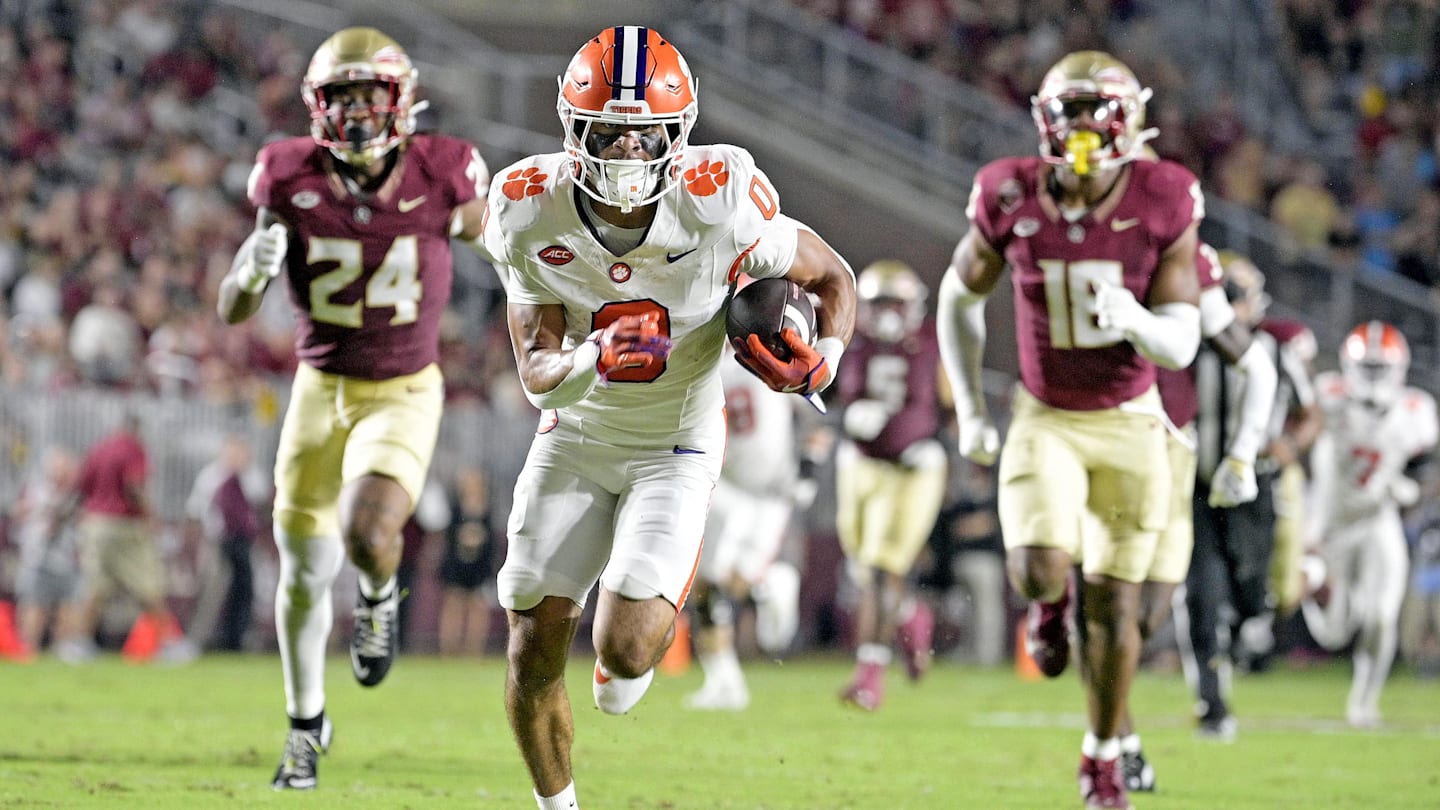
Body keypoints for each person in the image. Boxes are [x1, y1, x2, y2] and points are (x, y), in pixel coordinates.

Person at [480, 26, 857, 810]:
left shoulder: (719, 199)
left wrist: (824, 357)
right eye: (609, 133)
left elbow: (832, 276)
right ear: (573, 130)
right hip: (577, 437)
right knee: (531, 645)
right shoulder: (527, 207)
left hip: (677, 443)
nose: (627, 151)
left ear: (677, 134)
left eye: (645, 134)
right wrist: (593, 356)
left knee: (627, 650)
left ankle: (626, 655)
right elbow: (538, 375)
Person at [216, 27, 491, 791]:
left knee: (368, 531)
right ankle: (306, 725)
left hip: (403, 387)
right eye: (341, 96)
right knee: (303, 570)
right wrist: (249, 273)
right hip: (318, 389)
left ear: (400, 102)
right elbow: (233, 307)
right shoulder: (287, 175)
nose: (357, 112)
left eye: (370, 95)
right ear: (317, 104)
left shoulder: (443, 171)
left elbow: (501, 245)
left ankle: (376, 595)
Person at [937, 51, 1203, 810]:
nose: (1082, 126)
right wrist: (970, 408)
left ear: (1132, 119)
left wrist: (1138, 321)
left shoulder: (1163, 194)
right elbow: (958, 298)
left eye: (1097, 110)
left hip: (1132, 419)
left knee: (1118, 610)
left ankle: (1103, 756)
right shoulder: (1009, 190)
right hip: (1046, 414)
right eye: (1070, 110)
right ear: (1044, 118)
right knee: (1038, 568)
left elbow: (1182, 341)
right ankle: (1048, 605)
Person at [1088, 242, 1277, 791]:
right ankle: (1117, 745)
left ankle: (1117, 735)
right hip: (1112, 441)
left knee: (1150, 612)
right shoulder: (1100, 263)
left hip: (1183, 459)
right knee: (1111, 605)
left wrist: (1243, 455)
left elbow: (1261, 371)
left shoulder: (1227, 315)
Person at [1172, 252, 1322, 743]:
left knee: (1253, 594)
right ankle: (1212, 704)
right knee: (1201, 595)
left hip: (1256, 488)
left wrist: (1290, 445)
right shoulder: (1188, 347)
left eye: (1239, 295)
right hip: (1200, 488)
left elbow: (1310, 413)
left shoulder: (1276, 350)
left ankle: (1242, 634)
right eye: (1226, 294)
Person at [1301, 321, 1436, 728]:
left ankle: (1364, 703)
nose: (1373, 376)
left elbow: (1425, 466)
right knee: (1333, 634)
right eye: (1367, 367)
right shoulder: (1328, 395)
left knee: (1381, 617)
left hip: (1379, 519)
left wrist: (1410, 487)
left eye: (1381, 367)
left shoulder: (1415, 410)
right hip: (1332, 522)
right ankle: (1311, 583)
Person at [832, 259, 946, 711]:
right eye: (879, 303)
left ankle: (869, 677)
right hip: (862, 464)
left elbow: (953, 401)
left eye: (895, 303)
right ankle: (911, 615)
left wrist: (935, 442)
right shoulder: (852, 342)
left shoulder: (933, 341)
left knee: (882, 568)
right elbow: (826, 393)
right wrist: (846, 418)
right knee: (864, 570)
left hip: (913, 469)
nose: (887, 313)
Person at [684, 338, 809, 712]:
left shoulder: (708, 369)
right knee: (717, 585)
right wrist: (809, 470)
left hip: (732, 487)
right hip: (771, 489)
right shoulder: (768, 360)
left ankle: (766, 591)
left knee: (707, 585)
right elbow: (814, 410)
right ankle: (726, 679)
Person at [54, 412, 192, 665]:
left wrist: (60, 518)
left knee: (95, 586)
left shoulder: (98, 449)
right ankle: (170, 642)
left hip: (95, 525)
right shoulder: (132, 449)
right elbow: (134, 485)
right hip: (124, 525)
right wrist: (151, 516)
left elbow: (79, 490)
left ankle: (77, 643)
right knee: (148, 584)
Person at [183, 434, 263, 652]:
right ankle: (196, 640)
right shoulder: (211, 476)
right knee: (212, 590)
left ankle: (238, 640)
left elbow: (259, 509)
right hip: (218, 541)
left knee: (244, 591)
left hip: (244, 542)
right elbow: (195, 511)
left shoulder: (252, 477)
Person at [11, 446, 81, 657]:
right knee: (34, 605)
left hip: (66, 560)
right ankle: (27, 649)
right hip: (38, 557)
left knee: (68, 606)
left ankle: (64, 650)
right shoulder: (37, 490)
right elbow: (18, 512)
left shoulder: (74, 495)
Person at [437, 466, 498, 657]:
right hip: (457, 563)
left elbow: (492, 539)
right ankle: (448, 649)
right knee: (453, 604)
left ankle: (474, 650)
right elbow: (448, 534)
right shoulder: (455, 508)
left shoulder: (487, 509)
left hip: (479, 565)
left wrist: (479, 539)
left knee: (478, 606)